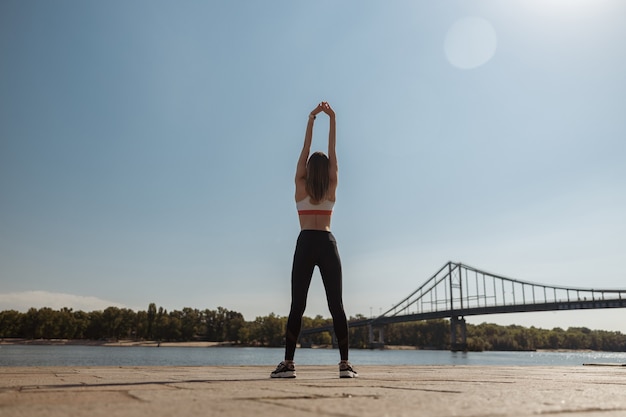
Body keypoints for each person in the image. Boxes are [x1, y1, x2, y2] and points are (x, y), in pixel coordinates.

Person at [271, 102, 358, 379]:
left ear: (308, 169)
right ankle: (345, 366)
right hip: (327, 243)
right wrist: (333, 119)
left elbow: (305, 151)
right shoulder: (332, 185)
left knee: (298, 305)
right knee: (337, 306)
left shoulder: (300, 184)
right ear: (329, 170)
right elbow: (333, 153)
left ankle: (288, 364)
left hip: (306, 242)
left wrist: (311, 120)